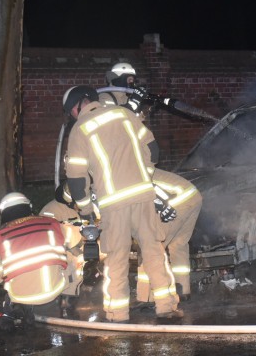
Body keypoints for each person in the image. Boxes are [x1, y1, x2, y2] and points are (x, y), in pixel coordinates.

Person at [61, 85, 182, 322]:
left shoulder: (79, 129)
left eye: (71, 111)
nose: (73, 115)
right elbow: (153, 150)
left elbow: (76, 179)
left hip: (113, 205)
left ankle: (118, 314)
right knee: (154, 253)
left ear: (77, 105)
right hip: (143, 197)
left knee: (117, 259)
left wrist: (86, 210)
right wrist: (145, 176)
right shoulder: (125, 114)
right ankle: (166, 307)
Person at [0, 192, 72, 331]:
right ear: (29, 207)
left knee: (8, 282)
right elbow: (73, 240)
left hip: (21, 297)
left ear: (3, 213)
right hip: (55, 291)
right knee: (73, 257)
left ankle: (11, 313)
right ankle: (69, 300)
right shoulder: (51, 225)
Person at [135, 168, 202, 304]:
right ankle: (183, 290)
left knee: (151, 247)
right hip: (193, 196)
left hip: (177, 201)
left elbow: (150, 192)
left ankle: (146, 297)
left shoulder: (129, 175)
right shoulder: (139, 165)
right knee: (179, 244)